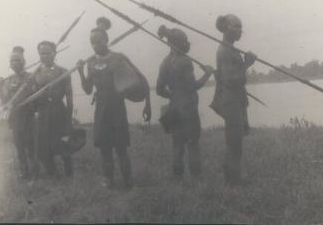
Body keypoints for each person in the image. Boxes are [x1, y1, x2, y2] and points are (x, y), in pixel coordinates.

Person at [77, 19, 151, 190]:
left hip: (117, 107)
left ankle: (128, 181)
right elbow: (88, 89)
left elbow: (140, 80)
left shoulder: (118, 58)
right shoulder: (91, 63)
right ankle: (108, 180)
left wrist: (147, 104)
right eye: (92, 42)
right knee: (104, 147)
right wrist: (81, 71)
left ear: (106, 40)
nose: (95, 45)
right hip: (101, 109)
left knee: (121, 147)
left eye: (98, 41)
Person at [156, 25, 214, 180]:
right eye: (184, 41)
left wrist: (174, 96)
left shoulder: (165, 63)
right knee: (193, 142)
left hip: (174, 107)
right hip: (188, 108)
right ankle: (196, 179)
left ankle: (178, 179)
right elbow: (192, 86)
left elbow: (159, 90)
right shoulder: (185, 61)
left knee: (177, 144)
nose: (187, 44)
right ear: (176, 43)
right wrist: (207, 74)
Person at [210, 14, 256, 186]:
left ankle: (230, 177)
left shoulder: (230, 49)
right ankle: (234, 182)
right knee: (235, 143)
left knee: (235, 141)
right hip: (231, 101)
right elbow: (231, 80)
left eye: (240, 28)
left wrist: (244, 63)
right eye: (237, 27)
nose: (240, 31)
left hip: (236, 100)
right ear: (227, 28)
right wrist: (247, 64)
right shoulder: (225, 51)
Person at [32, 41, 74, 178]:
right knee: (43, 144)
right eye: (41, 53)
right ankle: (52, 172)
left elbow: (69, 97)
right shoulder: (35, 74)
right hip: (43, 112)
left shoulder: (63, 71)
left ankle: (69, 172)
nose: (44, 56)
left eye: (48, 53)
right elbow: (33, 96)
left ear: (55, 53)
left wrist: (68, 118)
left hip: (59, 110)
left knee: (63, 141)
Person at [0, 46, 35, 179]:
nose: (14, 63)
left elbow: (32, 97)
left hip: (28, 116)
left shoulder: (31, 77)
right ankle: (24, 172)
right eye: (12, 61)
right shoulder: (8, 80)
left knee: (31, 145)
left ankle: (35, 172)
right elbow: (6, 102)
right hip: (15, 118)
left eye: (17, 60)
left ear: (23, 61)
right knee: (19, 146)